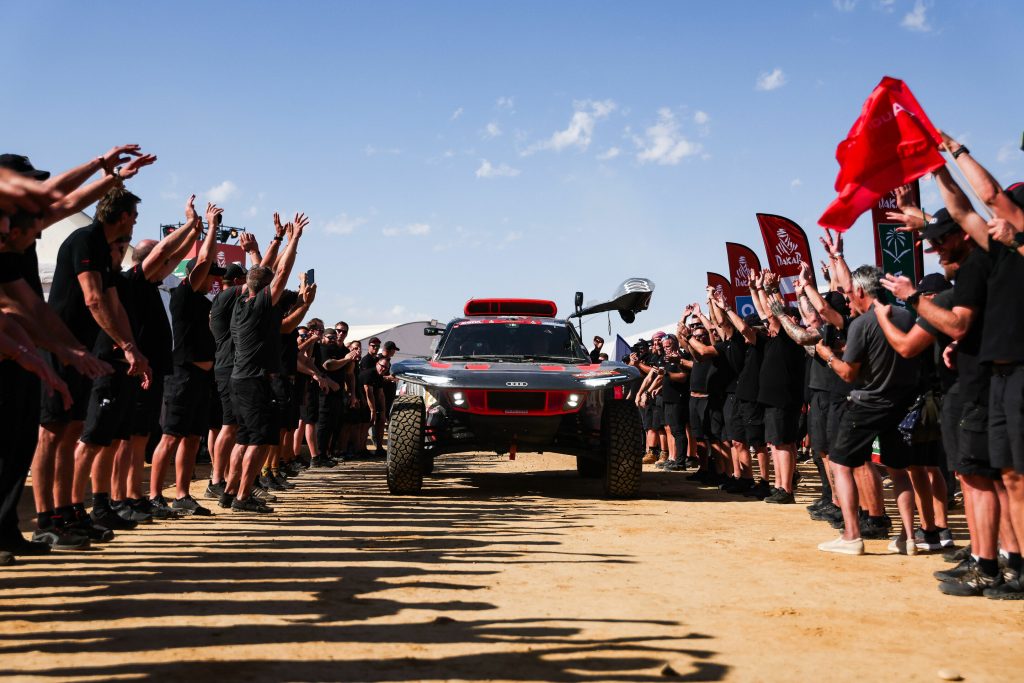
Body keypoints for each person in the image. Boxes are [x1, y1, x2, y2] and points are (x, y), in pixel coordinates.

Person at [36, 185, 151, 544]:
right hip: (59, 345)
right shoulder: (85, 240)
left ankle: (69, 511)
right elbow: (93, 299)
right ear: (120, 216)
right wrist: (127, 347)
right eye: (133, 215)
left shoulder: (105, 250)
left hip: (81, 350)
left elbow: (115, 304)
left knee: (72, 431)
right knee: (52, 433)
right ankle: (46, 519)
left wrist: (136, 352)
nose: (135, 222)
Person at [816, 265, 920, 556]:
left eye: (850, 294)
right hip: (900, 404)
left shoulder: (862, 323)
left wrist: (827, 357)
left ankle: (851, 535)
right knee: (899, 471)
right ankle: (909, 537)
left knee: (840, 463)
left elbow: (849, 373)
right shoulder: (904, 315)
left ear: (861, 291)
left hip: (866, 404)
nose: (848, 300)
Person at [225, 212, 306, 513]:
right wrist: (294, 238)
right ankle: (243, 497)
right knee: (257, 442)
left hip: (240, 379)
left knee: (244, 440)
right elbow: (281, 271)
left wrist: (271, 245)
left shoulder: (242, 304)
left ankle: (230, 491)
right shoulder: (260, 304)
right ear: (266, 290)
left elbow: (265, 272)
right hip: (255, 381)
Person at [148, 203, 224, 517]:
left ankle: (181, 495)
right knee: (170, 436)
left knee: (192, 438)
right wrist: (210, 227)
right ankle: (154, 495)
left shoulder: (202, 299)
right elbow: (204, 258)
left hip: (200, 379)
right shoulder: (183, 293)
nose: (213, 277)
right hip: (181, 374)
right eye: (209, 273)